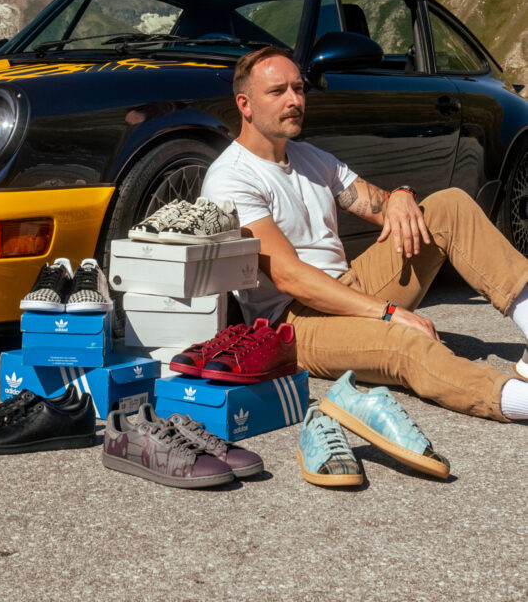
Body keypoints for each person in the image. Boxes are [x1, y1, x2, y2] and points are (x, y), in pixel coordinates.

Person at [201, 46, 528, 422]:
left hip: (349, 284)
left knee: (449, 206)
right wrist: (390, 314)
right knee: (405, 343)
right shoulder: (232, 177)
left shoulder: (310, 157)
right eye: (278, 92)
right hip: (294, 321)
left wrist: (401, 195)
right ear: (245, 104)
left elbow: (379, 203)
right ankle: (516, 400)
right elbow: (290, 277)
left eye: (298, 89)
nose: (294, 100)